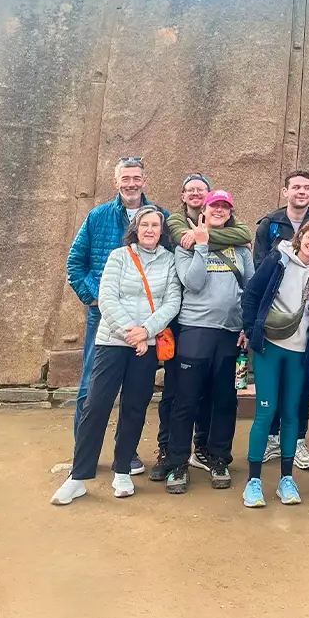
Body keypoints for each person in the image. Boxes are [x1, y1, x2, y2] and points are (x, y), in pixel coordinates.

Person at [52, 206, 182, 504]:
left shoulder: (169, 261)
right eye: (145, 225)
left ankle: (122, 469)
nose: (150, 230)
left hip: (145, 346)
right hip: (112, 342)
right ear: (135, 228)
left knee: (135, 408)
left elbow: (171, 302)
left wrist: (146, 332)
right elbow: (107, 298)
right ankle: (79, 476)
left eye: (156, 225)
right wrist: (129, 332)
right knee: (96, 405)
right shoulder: (119, 256)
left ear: (162, 231)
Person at [65, 155, 164, 475]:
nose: (131, 183)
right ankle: (84, 454)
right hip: (104, 316)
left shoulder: (160, 217)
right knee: (92, 389)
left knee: (135, 393)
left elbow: (169, 264)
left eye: (137, 178)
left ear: (145, 181)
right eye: (126, 178)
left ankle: (127, 455)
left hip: (144, 323)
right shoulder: (98, 216)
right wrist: (91, 297)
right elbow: (75, 262)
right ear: (116, 182)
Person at [152, 173, 254, 480]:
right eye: (214, 207)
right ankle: (177, 462)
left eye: (224, 207)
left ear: (230, 212)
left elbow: (249, 290)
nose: (219, 211)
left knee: (226, 398)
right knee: (186, 398)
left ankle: (219, 456)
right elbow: (193, 283)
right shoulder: (184, 245)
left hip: (231, 335)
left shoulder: (242, 250)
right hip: (195, 330)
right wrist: (200, 246)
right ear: (203, 212)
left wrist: (247, 329)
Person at [240, 220, 309, 507]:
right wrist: (249, 330)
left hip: (300, 352)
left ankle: (286, 479)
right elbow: (252, 295)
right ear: (301, 236)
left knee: (292, 414)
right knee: (265, 413)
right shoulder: (278, 259)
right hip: (270, 346)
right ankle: (253, 482)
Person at [253, 170, 309, 471]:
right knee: (271, 391)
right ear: (285, 191)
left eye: (307, 187)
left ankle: (297, 441)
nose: (301, 192)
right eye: (295, 187)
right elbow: (260, 268)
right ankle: (272, 440)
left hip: (305, 321)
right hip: (274, 319)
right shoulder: (269, 224)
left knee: (298, 391)